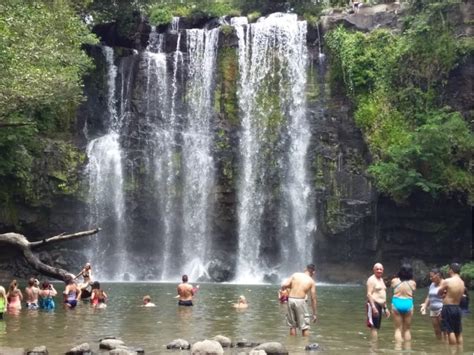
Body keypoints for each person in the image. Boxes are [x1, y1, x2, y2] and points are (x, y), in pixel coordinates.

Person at [280, 264, 317, 336]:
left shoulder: (295, 275)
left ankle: (292, 345)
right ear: (313, 272)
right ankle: (305, 344)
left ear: (305, 269)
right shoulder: (311, 281)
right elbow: (313, 298)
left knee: (292, 326)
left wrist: (284, 288)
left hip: (290, 300)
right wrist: (314, 314)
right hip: (300, 301)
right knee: (305, 327)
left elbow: (285, 285)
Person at [438, 262, 465, 345]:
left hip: (448, 307)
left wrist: (443, 293)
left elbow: (439, 292)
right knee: (458, 332)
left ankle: (453, 351)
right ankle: (459, 350)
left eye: (449, 269)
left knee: (450, 331)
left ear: (451, 270)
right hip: (457, 307)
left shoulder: (447, 281)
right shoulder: (462, 282)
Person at [391, 263, 416, 344]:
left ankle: (398, 349)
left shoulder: (394, 281)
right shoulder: (413, 283)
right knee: (407, 329)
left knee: (398, 329)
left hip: (396, 302)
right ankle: (407, 349)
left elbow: (392, 287)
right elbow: (414, 290)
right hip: (408, 303)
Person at [366, 263, 390, 339]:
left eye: (380, 269)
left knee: (377, 327)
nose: (379, 271)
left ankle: (374, 346)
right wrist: (373, 307)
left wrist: (386, 308)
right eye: (377, 269)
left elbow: (382, 294)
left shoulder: (381, 280)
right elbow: (369, 294)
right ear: (374, 270)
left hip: (380, 305)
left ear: (383, 270)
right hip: (374, 304)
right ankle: (373, 347)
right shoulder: (371, 280)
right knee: (374, 327)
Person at [420, 268, 444, 340]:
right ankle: (439, 347)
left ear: (438, 275)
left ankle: (445, 347)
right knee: (436, 330)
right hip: (433, 310)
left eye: (432, 276)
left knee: (444, 330)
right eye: (430, 276)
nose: (430, 278)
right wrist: (425, 305)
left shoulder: (445, 283)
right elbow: (429, 296)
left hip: (442, 309)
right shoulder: (432, 284)